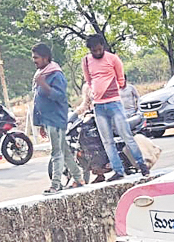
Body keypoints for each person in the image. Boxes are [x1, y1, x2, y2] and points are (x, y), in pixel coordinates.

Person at [82, 34, 149, 180]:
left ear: (103, 47)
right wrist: (94, 92)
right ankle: (118, 170)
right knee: (107, 141)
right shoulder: (86, 61)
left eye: (99, 49)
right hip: (98, 106)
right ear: (90, 50)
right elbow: (88, 80)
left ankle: (141, 164)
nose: (97, 53)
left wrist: (113, 88)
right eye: (94, 51)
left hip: (114, 103)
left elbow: (121, 79)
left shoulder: (113, 58)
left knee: (126, 135)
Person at [31, 41, 84, 194]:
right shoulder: (41, 74)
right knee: (64, 151)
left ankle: (56, 184)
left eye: (37, 58)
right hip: (47, 120)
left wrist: (45, 85)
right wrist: (40, 124)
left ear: (46, 58)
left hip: (56, 119)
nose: (34, 61)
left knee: (56, 152)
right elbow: (37, 100)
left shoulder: (55, 74)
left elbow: (60, 97)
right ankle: (78, 177)